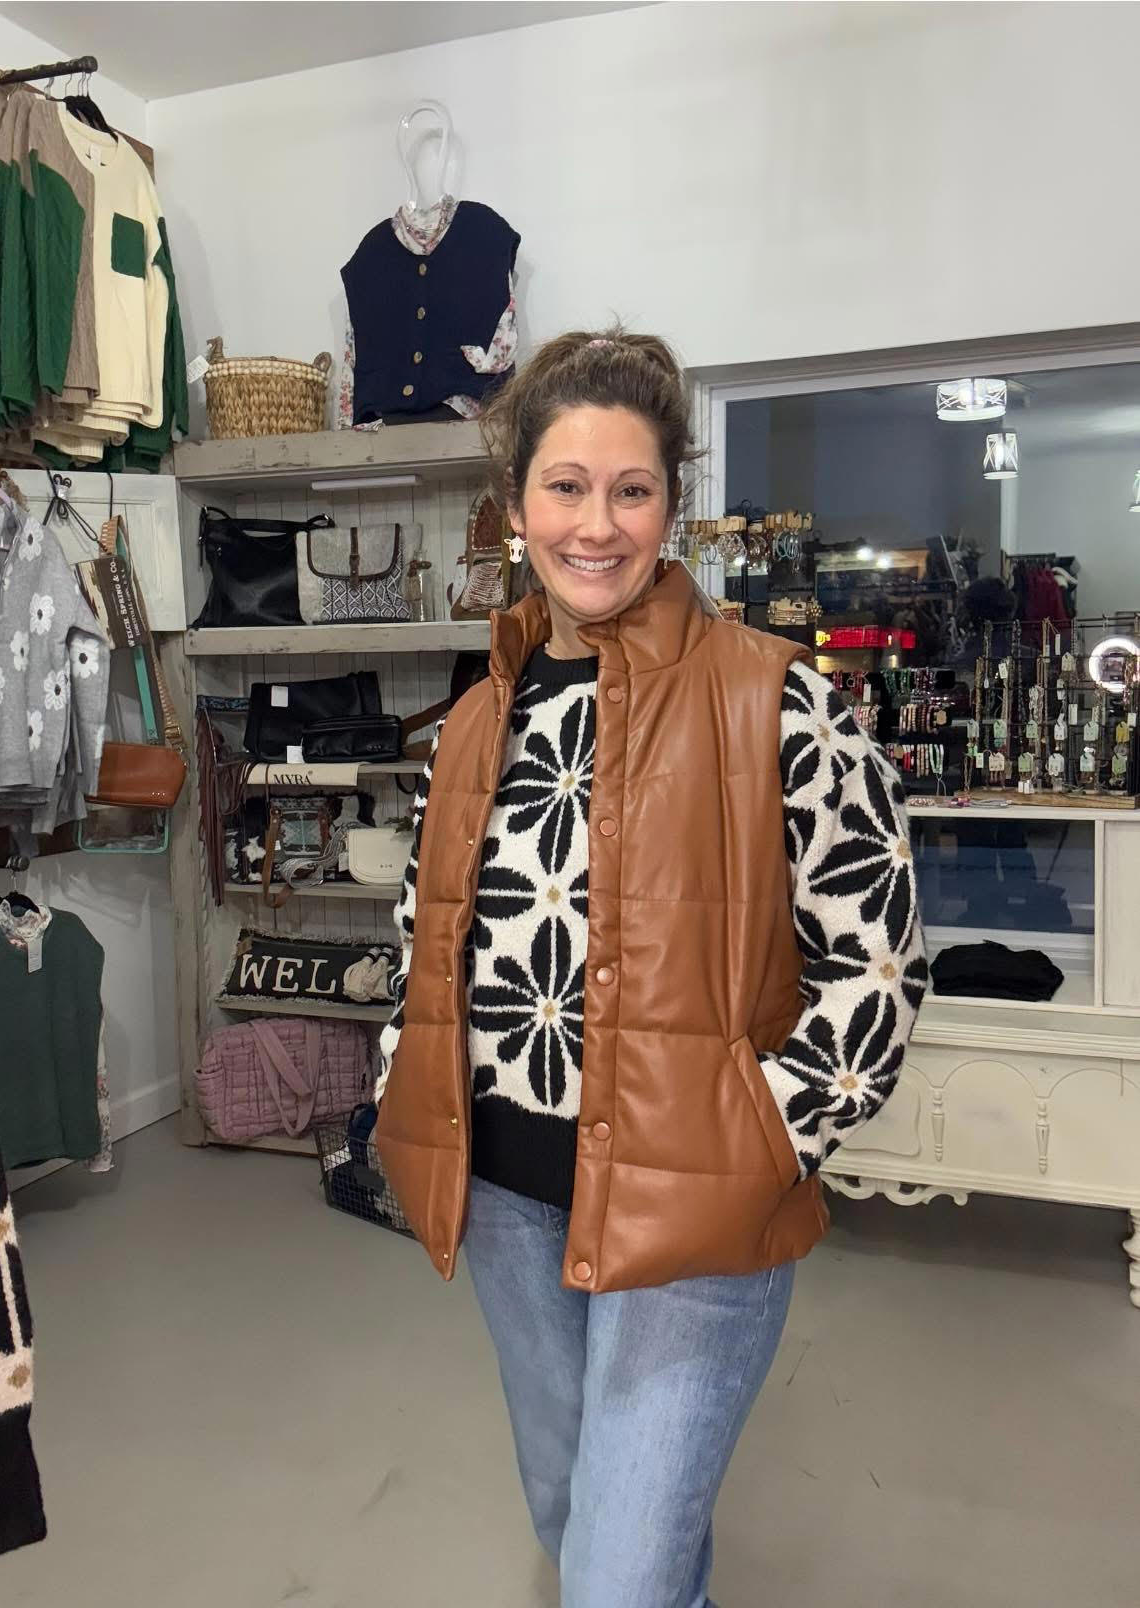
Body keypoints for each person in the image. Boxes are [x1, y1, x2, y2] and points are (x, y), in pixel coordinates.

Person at [373, 328, 926, 1608]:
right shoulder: (477, 719)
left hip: (697, 1218)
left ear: (672, 505)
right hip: (506, 1197)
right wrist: (410, 1077)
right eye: (565, 487)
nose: (597, 525)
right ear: (515, 506)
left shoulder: (777, 700)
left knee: (616, 1580)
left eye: (631, 490)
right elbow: (427, 930)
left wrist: (765, 1132)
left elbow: (877, 964)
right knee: (579, 1516)